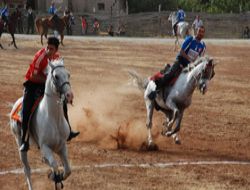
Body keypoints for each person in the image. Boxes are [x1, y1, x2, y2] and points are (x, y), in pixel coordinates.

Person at [19, 37, 80, 152]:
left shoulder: (57, 58)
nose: (48, 50)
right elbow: (33, 76)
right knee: (26, 110)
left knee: (62, 103)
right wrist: (49, 80)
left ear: (56, 50)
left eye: (51, 48)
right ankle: (24, 140)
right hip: (32, 84)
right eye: (47, 47)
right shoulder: (40, 56)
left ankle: (69, 131)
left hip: (47, 84)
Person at [149, 26, 206, 100]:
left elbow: (200, 58)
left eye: (202, 32)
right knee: (171, 74)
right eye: (199, 31)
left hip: (191, 66)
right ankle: (156, 90)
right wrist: (190, 61)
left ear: (204, 34)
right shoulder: (190, 39)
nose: (200, 33)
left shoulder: (203, 45)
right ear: (196, 32)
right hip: (181, 61)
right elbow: (181, 51)